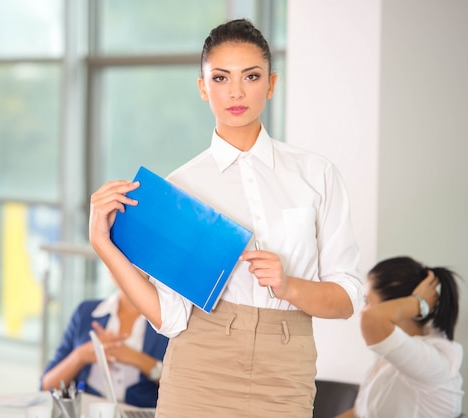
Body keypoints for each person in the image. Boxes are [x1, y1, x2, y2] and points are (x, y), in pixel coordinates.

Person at [89, 18, 363, 417]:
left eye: (250, 76)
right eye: (220, 78)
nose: (236, 91)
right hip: (200, 366)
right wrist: (102, 243)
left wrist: (289, 286)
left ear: (270, 84)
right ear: (203, 88)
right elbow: (170, 317)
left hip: (285, 371)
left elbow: (346, 299)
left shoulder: (316, 175)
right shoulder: (180, 188)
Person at [338, 256, 463, 418]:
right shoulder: (398, 353)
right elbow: (360, 413)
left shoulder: (434, 360)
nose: (363, 310)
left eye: (367, 301)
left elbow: (371, 320)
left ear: (397, 305)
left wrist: (419, 302)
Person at [40, 279, 168, 408]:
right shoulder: (85, 312)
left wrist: (136, 358)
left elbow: (179, 386)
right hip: (88, 411)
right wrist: (80, 356)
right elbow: (47, 386)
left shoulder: (168, 323)